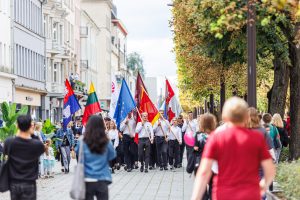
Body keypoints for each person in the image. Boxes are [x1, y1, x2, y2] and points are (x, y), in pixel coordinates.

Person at [191, 97, 276, 200]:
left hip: (223, 194)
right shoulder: (256, 138)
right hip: (250, 194)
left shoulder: (216, 138)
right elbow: (270, 170)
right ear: (246, 117)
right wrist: (262, 186)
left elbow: (204, 172)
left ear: (225, 117)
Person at [4, 115, 45, 200]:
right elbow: (40, 146)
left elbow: (5, 153)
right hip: (29, 183)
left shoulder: (9, 142)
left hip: (14, 183)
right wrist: (33, 133)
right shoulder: (36, 145)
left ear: (17, 126)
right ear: (31, 126)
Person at [75, 115, 116, 200]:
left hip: (86, 179)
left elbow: (78, 153)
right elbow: (112, 156)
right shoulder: (106, 141)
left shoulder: (82, 141)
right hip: (102, 178)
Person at [193, 113, 217, 200]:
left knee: (201, 187)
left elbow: (195, 148)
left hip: (201, 162)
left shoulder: (198, 134)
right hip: (213, 165)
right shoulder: (217, 134)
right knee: (212, 186)